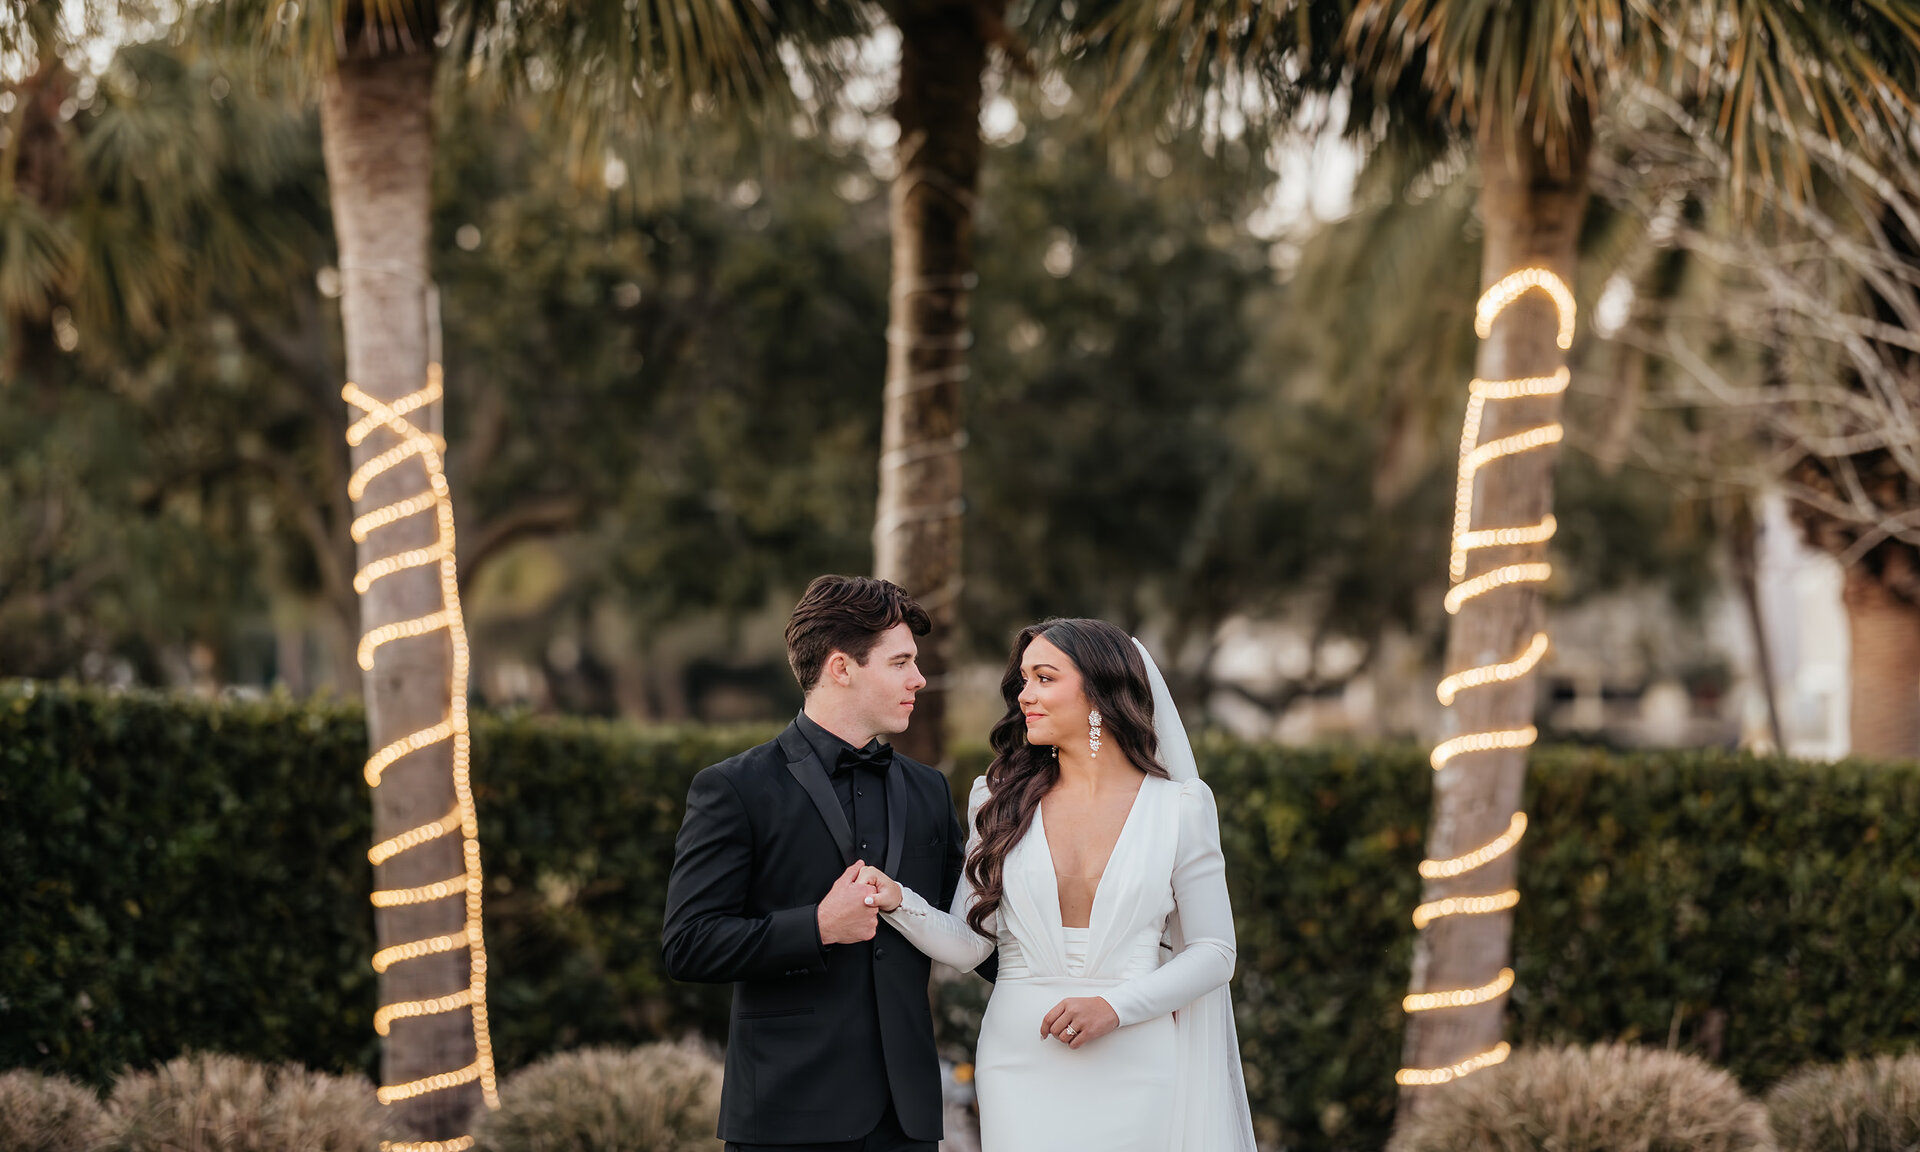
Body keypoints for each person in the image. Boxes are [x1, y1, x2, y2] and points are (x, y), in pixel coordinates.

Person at [858, 618, 1257, 1152]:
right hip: (1018, 1061)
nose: (1025, 696)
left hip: (1136, 1058)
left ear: (1100, 692)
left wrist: (1115, 1007)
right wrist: (898, 901)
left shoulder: (1180, 809)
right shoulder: (996, 800)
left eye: (1044, 678)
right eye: (1023, 680)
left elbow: (1214, 951)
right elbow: (974, 943)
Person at [662, 575, 972, 1152]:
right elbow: (688, 943)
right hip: (786, 1117)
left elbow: (971, 932)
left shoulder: (929, 790)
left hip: (907, 1124)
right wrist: (818, 927)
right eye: (901, 661)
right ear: (841, 667)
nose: (919, 679)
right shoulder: (733, 789)